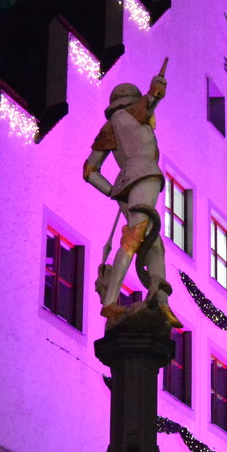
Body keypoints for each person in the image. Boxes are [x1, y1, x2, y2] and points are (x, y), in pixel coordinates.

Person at [82, 62, 180, 326]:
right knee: (137, 234)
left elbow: (90, 170)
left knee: (153, 242)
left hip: (126, 182)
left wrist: (114, 191)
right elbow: (153, 97)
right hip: (145, 174)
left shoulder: (111, 126)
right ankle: (111, 300)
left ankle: (160, 298)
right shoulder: (133, 112)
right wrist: (158, 87)